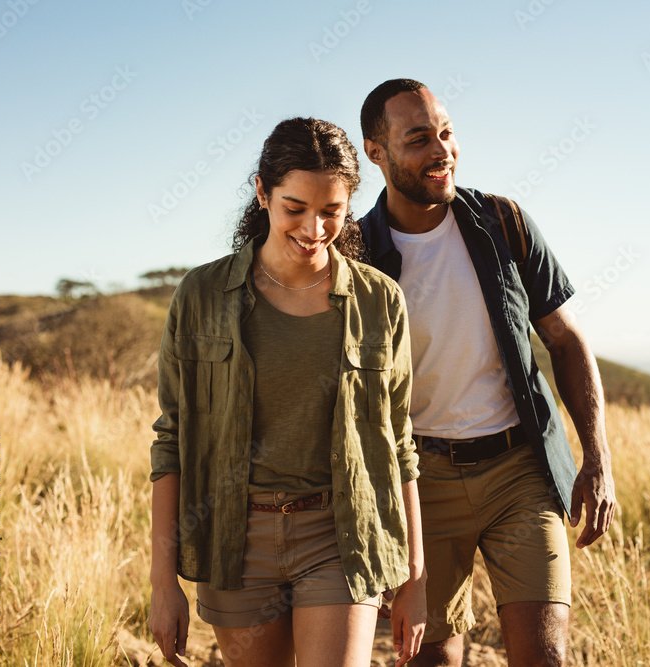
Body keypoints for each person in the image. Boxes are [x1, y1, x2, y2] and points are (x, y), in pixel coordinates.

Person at [148, 117, 426, 667]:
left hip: (340, 535)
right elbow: (171, 441)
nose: (314, 228)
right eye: (294, 208)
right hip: (234, 540)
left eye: (331, 211)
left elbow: (400, 443)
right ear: (262, 193)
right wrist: (163, 583)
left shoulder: (379, 301)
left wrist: (415, 577)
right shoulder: (201, 295)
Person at [357, 79, 617, 666]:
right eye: (419, 138)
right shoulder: (357, 252)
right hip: (420, 486)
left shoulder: (504, 221)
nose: (441, 150)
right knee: (435, 660)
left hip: (518, 471)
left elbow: (566, 338)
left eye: (447, 133)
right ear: (376, 151)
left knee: (543, 656)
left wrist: (596, 458)